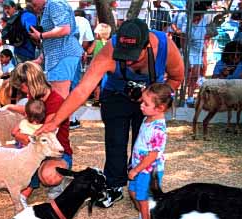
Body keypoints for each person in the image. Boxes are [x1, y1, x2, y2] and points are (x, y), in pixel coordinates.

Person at [36, 18, 184, 207]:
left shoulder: (165, 47)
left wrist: (156, 100)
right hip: (115, 96)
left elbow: (177, 77)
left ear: (146, 45)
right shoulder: (109, 51)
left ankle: (141, 184)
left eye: (132, 55)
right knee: (116, 140)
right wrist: (55, 121)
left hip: (150, 101)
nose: (128, 60)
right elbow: (82, 90)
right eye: (124, 54)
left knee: (145, 143)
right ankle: (114, 185)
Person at [8, 62, 73, 201]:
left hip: (56, 152)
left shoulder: (56, 102)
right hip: (37, 147)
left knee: (48, 176)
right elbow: (27, 122)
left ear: (30, 82)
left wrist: (20, 135)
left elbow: (44, 136)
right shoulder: (34, 98)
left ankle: (59, 180)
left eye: (23, 87)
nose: (23, 91)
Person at [126, 83, 172, 219]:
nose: (141, 105)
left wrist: (136, 169)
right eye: (142, 101)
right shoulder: (148, 119)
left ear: (160, 108)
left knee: (142, 197)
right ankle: (143, 217)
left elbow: (152, 155)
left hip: (148, 170)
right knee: (133, 192)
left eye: (146, 103)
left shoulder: (158, 129)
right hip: (140, 167)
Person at [29, 0, 83, 100]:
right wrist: (41, 58)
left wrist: (40, 35)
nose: (33, 7)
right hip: (64, 55)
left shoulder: (54, 4)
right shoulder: (53, 4)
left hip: (61, 56)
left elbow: (64, 29)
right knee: (65, 97)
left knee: (59, 98)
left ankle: (62, 116)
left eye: (33, 3)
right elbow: (56, 37)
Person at [70, 9, 94, 129]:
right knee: (74, 86)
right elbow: (87, 40)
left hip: (58, 56)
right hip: (74, 55)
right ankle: (71, 118)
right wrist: (82, 50)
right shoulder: (84, 21)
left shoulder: (65, 19)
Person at [87, 23, 111, 107]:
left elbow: (89, 51)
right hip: (106, 67)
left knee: (96, 85)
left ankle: (96, 100)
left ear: (97, 34)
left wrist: (87, 51)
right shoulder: (109, 43)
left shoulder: (96, 42)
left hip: (96, 67)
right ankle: (104, 99)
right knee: (103, 84)